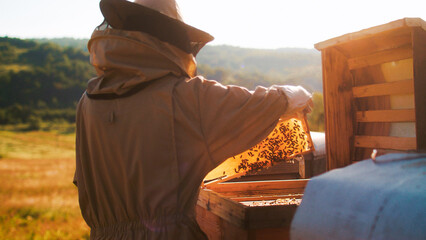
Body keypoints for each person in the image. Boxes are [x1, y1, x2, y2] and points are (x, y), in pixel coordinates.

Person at [73, 0, 313, 239]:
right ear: (170, 37)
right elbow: (266, 103)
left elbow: (83, 181)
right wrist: (300, 94)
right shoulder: (186, 97)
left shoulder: (88, 101)